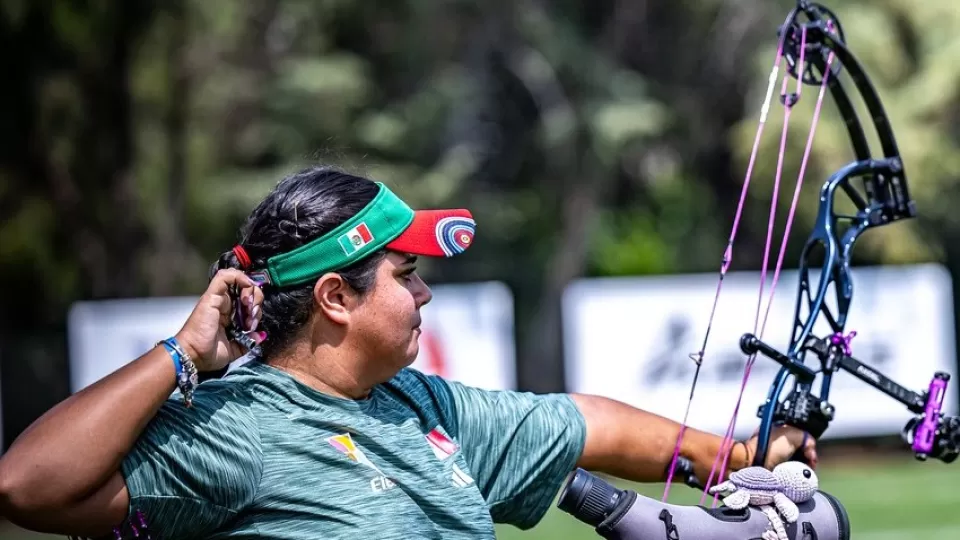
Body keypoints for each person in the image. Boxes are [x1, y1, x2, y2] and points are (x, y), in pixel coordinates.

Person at [0, 167, 817, 540]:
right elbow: (26, 487)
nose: (424, 294)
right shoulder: (234, 429)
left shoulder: (423, 408)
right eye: (406, 273)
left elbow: (586, 426)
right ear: (335, 298)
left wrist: (743, 456)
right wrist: (183, 353)